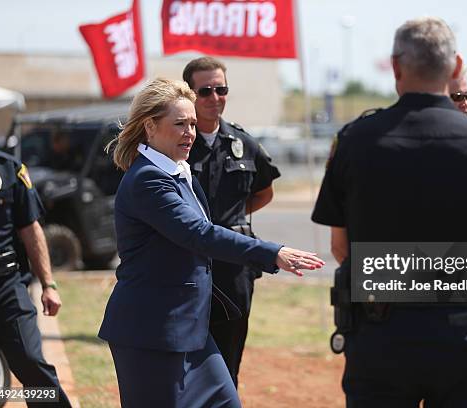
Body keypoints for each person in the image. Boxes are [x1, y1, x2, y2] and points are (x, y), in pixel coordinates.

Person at [312, 17, 467, 407]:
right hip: (466, 334)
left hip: (380, 333)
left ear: (396, 66)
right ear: (456, 66)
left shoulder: (355, 140)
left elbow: (341, 248)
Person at [98, 78, 323, 408]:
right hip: (152, 334)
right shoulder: (149, 179)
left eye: (192, 123)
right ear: (150, 127)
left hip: (190, 329)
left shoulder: (175, 172)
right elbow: (199, 234)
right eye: (180, 124)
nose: (190, 133)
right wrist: (272, 253)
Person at [181, 56, 280, 386]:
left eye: (220, 89)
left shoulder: (243, 144)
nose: (214, 98)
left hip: (233, 269)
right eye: (205, 90)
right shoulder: (177, 144)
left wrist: (232, 219)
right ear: (189, 94)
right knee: (184, 363)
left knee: (227, 363)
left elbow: (264, 192)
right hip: (186, 266)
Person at [0, 149, 72, 407]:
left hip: (5, 286)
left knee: (31, 361)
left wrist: (48, 284)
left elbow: (30, 229)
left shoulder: (7, 169)